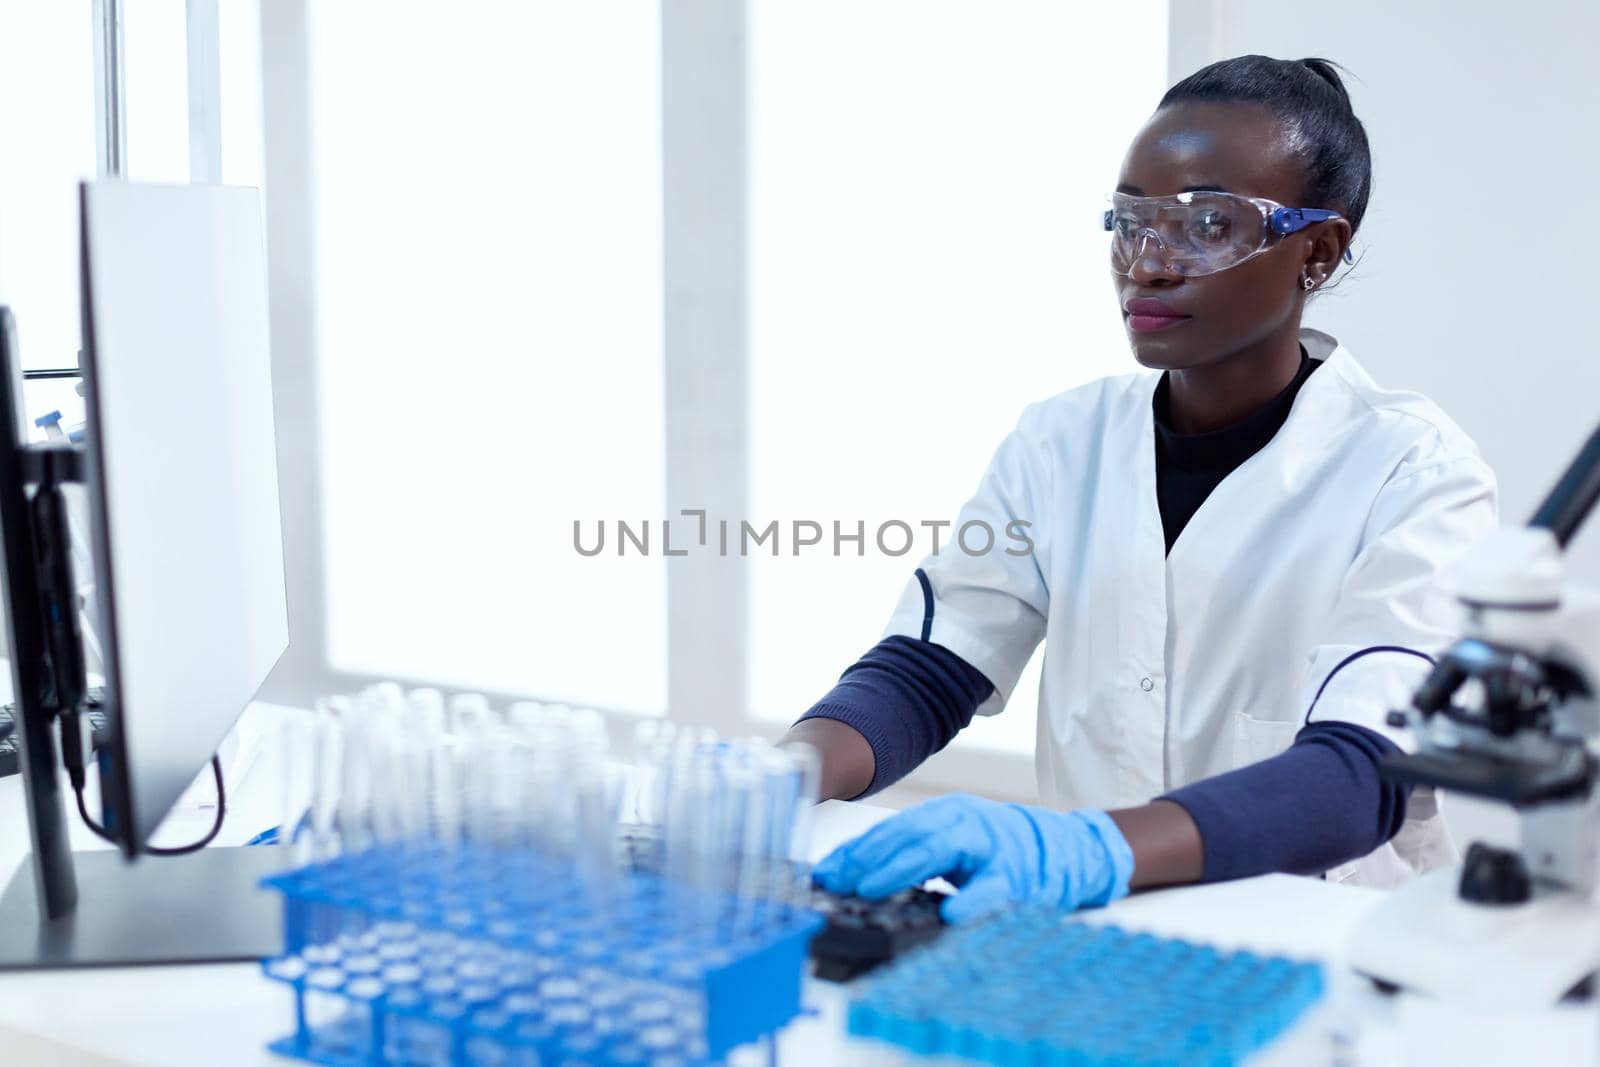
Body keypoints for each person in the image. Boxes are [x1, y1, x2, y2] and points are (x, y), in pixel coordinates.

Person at [781, 55, 1497, 924]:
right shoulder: (1061, 442)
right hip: (1096, 937)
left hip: (1324, 954)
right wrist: (777, 778)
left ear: (1317, 250)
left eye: (1207, 224)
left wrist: (1089, 848)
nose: (1148, 263)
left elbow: (1362, 774)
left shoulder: (1416, 474)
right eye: (1131, 221)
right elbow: (931, 669)